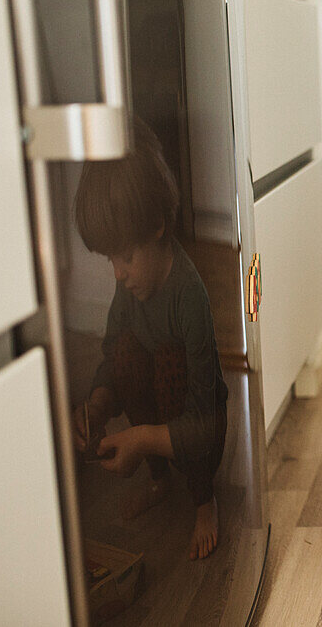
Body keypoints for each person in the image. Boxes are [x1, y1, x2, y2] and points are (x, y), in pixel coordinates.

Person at [71, 123, 229, 561]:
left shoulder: (188, 298)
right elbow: (109, 356)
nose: (117, 274)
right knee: (125, 351)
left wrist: (140, 440)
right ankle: (160, 480)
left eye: (125, 256)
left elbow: (207, 423)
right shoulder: (129, 286)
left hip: (199, 422)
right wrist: (98, 404)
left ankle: (203, 499)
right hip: (158, 410)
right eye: (110, 259)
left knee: (169, 361)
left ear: (158, 226)